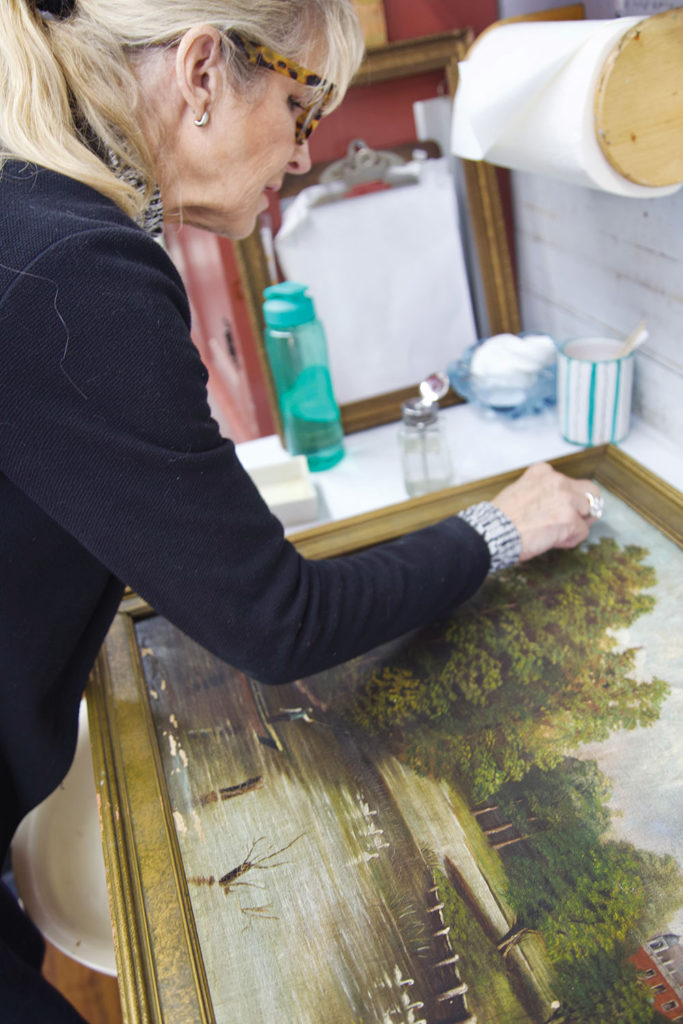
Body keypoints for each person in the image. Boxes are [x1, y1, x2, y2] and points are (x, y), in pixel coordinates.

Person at [0, 0, 604, 1018]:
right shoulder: (73, 270)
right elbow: (279, 620)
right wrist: (505, 525)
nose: (302, 149)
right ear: (201, 71)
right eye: (302, 103)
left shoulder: (35, 214)